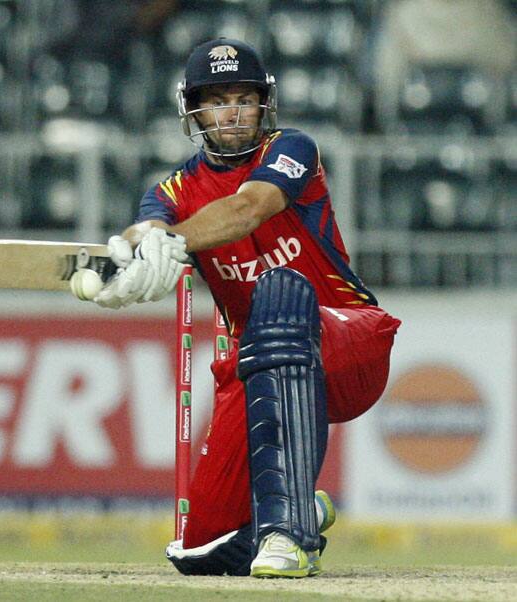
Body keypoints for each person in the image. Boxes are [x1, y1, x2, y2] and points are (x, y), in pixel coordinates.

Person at [83, 38, 401, 578]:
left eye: (244, 97)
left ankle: (290, 535)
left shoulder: (292, 148)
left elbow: (248, 207)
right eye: (217, 99)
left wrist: (176, 241)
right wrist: (135, 253)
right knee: (200, 549)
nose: (232, 110)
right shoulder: (173, 190)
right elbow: (150, 224)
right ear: (194, 110)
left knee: (278, 292)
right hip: (257, 365)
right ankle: (301, 506)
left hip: (349, 340)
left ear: (263, 104)